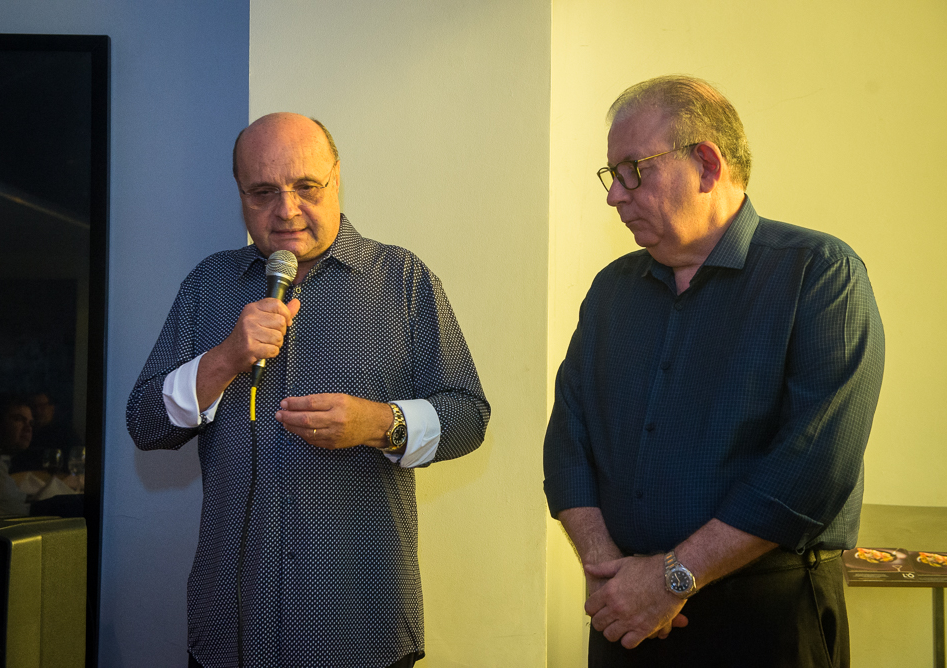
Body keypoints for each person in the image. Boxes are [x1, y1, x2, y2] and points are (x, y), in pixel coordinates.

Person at [543, 76, 884, 667]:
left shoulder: (820, 274)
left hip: (768, 618)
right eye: (611, 175)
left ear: (706, 164)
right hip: (628, 613)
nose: (615, 196)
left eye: (632, 171)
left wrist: (673, 578)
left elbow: (813, 467)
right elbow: (568, 442)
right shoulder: (611, 291)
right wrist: (607, 572)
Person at [127, 113, 489, 668]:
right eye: (263, 192)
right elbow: (144, 423)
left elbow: (468, 417)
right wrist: (225, 358)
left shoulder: (402, 280)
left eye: (306, 187)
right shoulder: (209, 285)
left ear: (336, 179)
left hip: (360, 628)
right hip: (230, 630)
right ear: (240, 195)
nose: (287, 209)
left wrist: (378, 424)